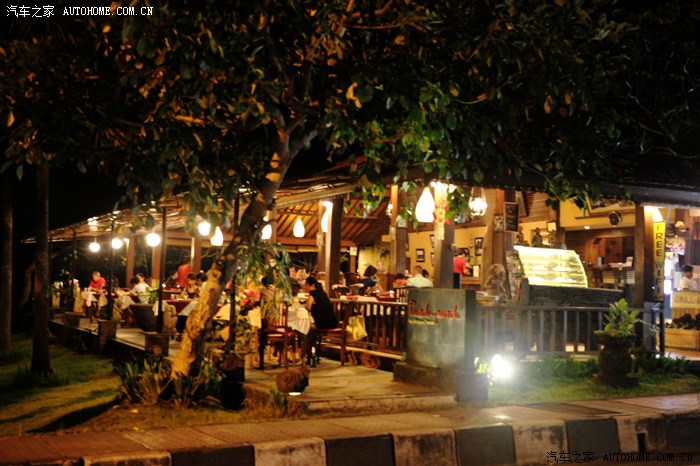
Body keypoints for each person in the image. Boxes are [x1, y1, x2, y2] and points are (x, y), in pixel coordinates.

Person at [303, 276, 340, 362]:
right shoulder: (323, 293)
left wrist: (305, 305)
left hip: (323, 323)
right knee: (310, 330)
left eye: (306, 285)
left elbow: (308, 307)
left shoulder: (313, 293)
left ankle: (308, 354)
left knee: (308, 330)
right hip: (332, 322)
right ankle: (313, 352)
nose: (305, 287)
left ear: (311, 285)